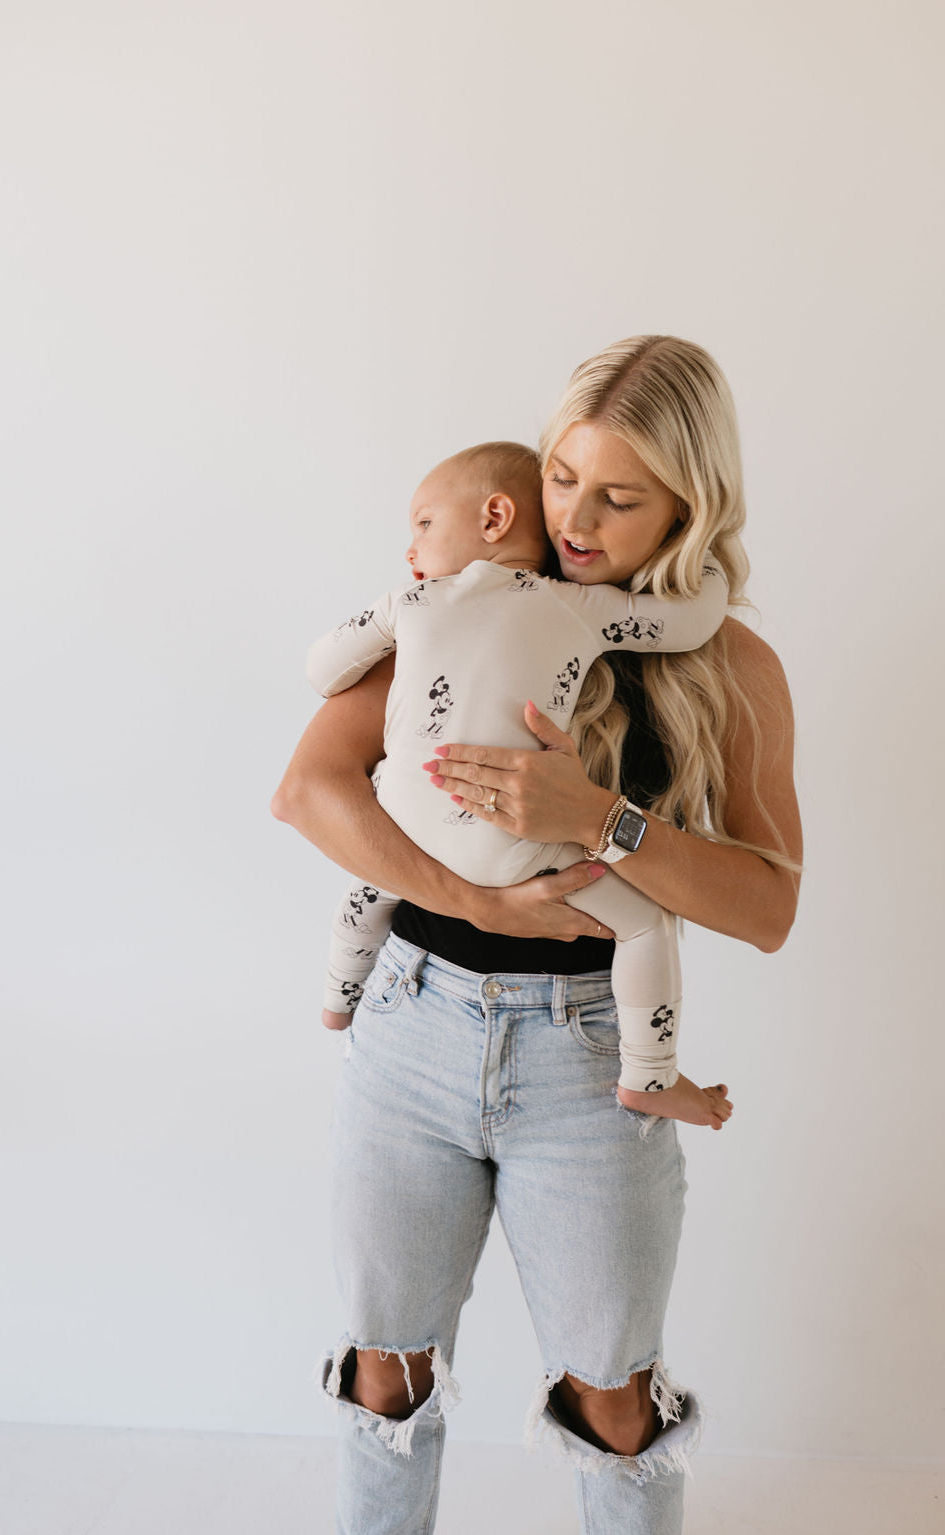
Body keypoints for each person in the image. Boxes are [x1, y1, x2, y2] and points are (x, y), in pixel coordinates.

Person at [271, 335, 802, 1535]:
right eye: (565, 476)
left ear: (690, 504)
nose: (574, 516)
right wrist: (472, 903)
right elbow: (309, 789)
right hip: (411, 1020)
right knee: (383, 1372)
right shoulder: (467, 595)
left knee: (614, 1397)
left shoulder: (728, 664)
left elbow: (767, 906)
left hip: (589, 1059)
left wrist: (601, 820)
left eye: (620, 498)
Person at [307, 440, 732, 1127]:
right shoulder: (579, 607)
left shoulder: (409, 601)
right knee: (645, 924)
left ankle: (338, 996)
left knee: (368, 885)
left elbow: (321, 670)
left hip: (406, 826)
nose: (411, 549)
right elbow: (691, 621)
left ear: (496, 515)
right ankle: (649, 1076)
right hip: (517, 844)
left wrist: (386, 623)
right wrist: (702, 553)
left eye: (421, 525)